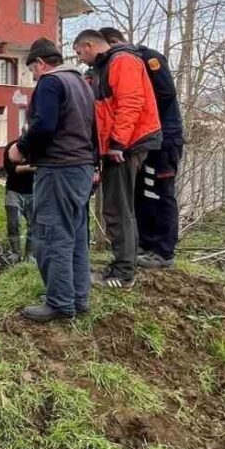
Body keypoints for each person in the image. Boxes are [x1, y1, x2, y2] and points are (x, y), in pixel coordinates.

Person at [8, 38, 97, 322]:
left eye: (32, 70)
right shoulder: (81, 83)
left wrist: (21, 148)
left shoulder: (50, 82)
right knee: (76, 236)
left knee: (50, 235)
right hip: (81, 168)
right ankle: (78, 298)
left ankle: (59, 302)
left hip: (58, 170)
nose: (33, 76)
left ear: (41, 63)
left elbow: (44, 124)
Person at [73, 29, 161, 289]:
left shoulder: (122, 61)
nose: (79, 58)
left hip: (128, 144)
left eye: (79, 52)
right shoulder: (105, 67)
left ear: (89, 46)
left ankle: (123, 272)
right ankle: (125, 263)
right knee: (119, 206)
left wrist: (118, 143)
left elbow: (131, 103)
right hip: (122, 143)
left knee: (117, 206)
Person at [99, 28, 184, 269]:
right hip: (140, 140)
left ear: (113, 42)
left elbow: (166, 93)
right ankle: (145, 245)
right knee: (141, 195)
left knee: (159, 192)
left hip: (163, 137)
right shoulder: (126, 61)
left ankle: (163, 252)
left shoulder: (147, 58)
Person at [2, 138, 34, 259]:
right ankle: (16, 252)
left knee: (34, 225)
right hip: (13, 191)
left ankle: (30, 255)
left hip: (34, 192)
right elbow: (10, 169)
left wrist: (22, 167)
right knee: (13, 223)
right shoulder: (11, 147)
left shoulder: (38, 148)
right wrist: (31, 168)